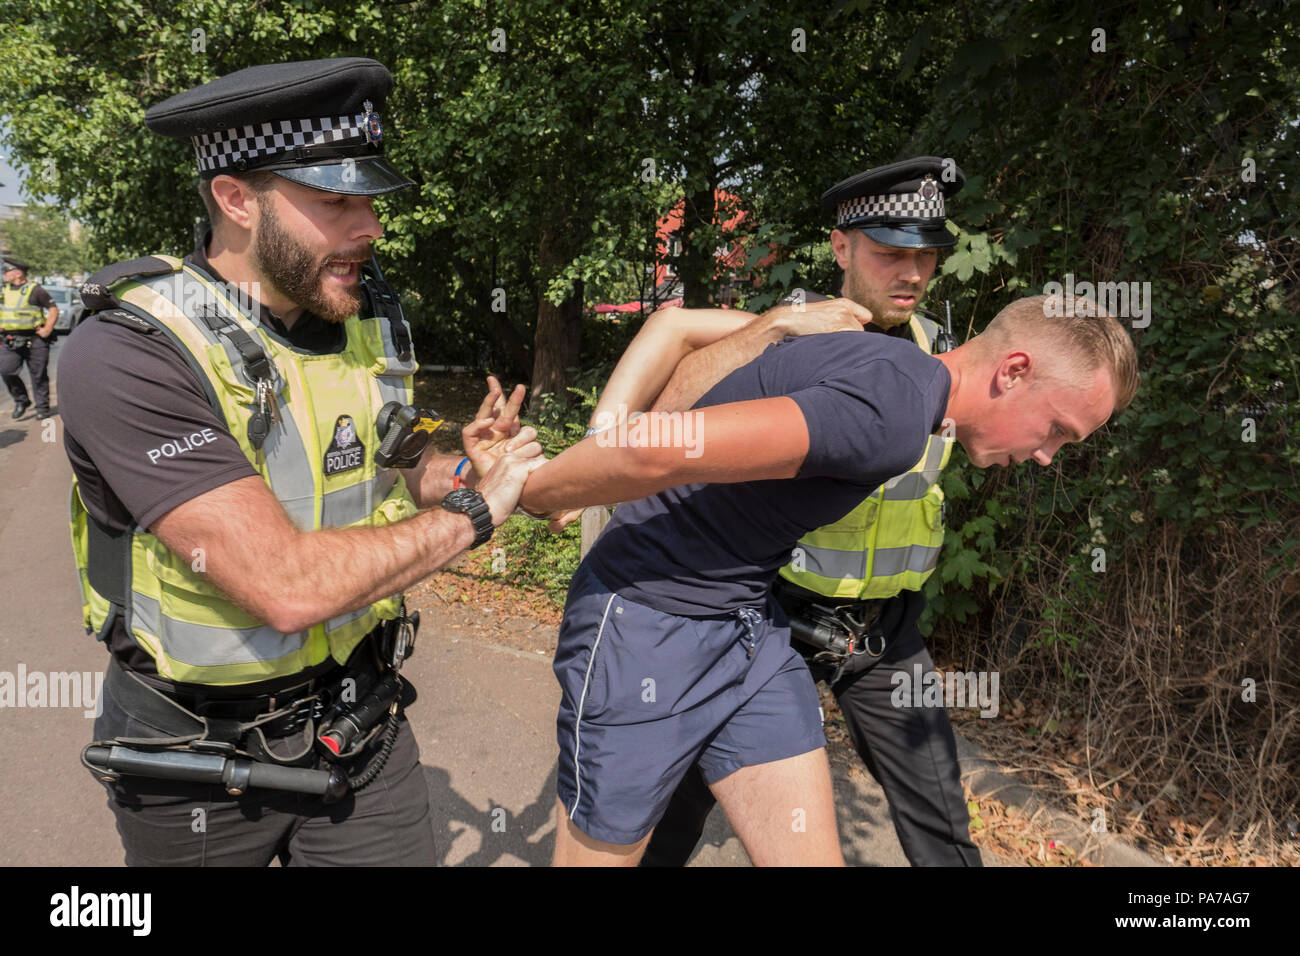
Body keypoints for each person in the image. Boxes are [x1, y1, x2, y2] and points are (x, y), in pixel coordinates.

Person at [514, 228, 1140, 864]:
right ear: (1013, 372)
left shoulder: (896, 368)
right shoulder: (894, 409)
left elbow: (688, 404)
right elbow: (654, 448)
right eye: (1057, 430)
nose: (1044, 456)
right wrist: (527, 492)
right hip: (648, 621)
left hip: (749, 625)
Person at [61, 57, 543, 866]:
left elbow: (407, 462)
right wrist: (478, 513)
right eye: (335, 201)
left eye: (370, 200)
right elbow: (285, 588)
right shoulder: (130, 351)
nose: (371, 227)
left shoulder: (367, 314)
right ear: (236, 199)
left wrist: (467, 473)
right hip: (192, 760)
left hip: (360, 723)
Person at [577, 157, 984, 866]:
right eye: (891, 253)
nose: (912, 273)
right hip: (774, 610)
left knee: (941, 822)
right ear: (841, 249)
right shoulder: (794, 335)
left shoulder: (938, 359)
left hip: (885, 634)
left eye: (926, 256)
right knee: (675, 809)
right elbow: (673, 356)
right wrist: (600, 442)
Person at [0, 255, 58, 419]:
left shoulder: (36, 290)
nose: (4, 273)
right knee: (6, 371)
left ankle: (42, 408)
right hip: (9, 339)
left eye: (7, 270)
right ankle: (21, 400)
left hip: (35, 339)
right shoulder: (3, 290)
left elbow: (53, 309)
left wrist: (47, 329)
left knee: (38, 375)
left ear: (18, 273)